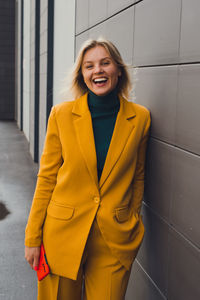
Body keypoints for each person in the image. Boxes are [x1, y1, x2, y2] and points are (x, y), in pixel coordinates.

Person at [25, 38, 151, 300]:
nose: (98, 71)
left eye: (105, 63)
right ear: (82, 75)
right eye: (89, 66)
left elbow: (138, 175)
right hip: (61, 235)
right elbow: (47, 177)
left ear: (118, 69)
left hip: (114, 238)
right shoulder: (61, 115)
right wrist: (33, 236)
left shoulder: (140, 118)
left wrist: (132, 218)